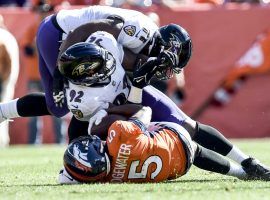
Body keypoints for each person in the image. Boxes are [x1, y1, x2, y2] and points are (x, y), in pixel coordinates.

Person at [0, 6, 268, 180]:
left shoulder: (138, 56)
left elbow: (132, 80)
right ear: (165, 48)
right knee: (63, 105)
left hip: (96, 54)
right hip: (60, 35)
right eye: (170, 64)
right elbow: (88, 30)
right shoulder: (141, 34)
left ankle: (247, 163)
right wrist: (62, 72)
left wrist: (137, 84)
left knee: (185, 123)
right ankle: (6, 113)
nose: (168, 72)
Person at [59, 104, 248, 184]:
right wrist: (109, 110)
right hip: (174, 135)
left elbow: (68, 177)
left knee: (194, 151)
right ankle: (243, 164)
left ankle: (239, 172)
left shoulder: (100, 178)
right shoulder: (118, 134)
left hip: (177, 169)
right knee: (188, 135)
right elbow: (144, 110)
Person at [0, 15, 19, 147]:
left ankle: (2, 142)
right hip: (7, 79)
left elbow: (8, 60)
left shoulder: (3, 36)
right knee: (4, 112)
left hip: (2, 79)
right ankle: (3, 142)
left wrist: (3, 80)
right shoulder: (8, 36)